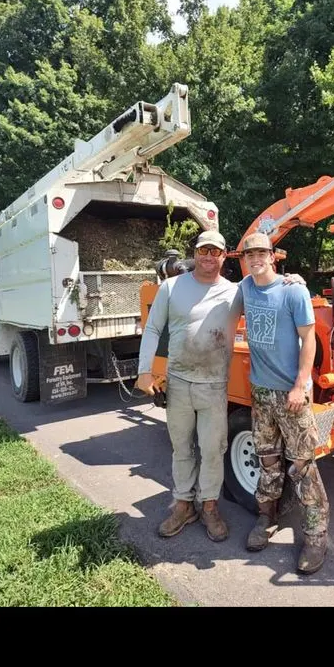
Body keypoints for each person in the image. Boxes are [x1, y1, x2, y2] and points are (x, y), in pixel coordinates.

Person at [231, 231, 329, 575]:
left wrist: (301, 384)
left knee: (302, 466)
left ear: (273, 256)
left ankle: (316, 537)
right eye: (249, 254)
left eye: (261, 253)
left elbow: (310, 340)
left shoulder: (293, 290)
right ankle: (265, 519)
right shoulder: (245, 287)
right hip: (261, 392)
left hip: (292, 394)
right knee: (268, 460)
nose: (255, 258)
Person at [137, 230, 237, 542]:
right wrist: (144, 371)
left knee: (211, 449)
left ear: (223, 256)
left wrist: (294, 282)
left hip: (214, 386)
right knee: (181, 448)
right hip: (179, 382)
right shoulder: (171, 287)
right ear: (194, 253)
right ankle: (183, 505)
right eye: (203, 250)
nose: (209, 256)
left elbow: (267, 290)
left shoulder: (236, 292)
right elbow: (153, 328)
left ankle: (208, 505)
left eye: (215, 251)